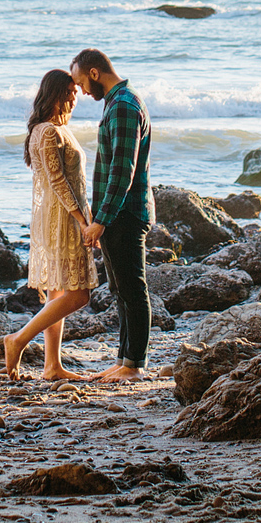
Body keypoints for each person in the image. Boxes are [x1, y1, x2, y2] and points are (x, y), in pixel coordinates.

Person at [1, 69, 98, 379]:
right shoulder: (47, 132)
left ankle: (52, 366)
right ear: (54, 94)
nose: (75, 96)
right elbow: (57, 181)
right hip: (61, 220)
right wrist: (83, 220)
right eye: (69, 91)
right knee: (78, 294)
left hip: (63, 216)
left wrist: (88, 214)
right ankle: (17, 340)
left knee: (57, 293)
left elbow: (74, 182)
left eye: (74, 90)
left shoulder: (59, 129)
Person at [73, 47, 154, 383]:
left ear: (94, 73)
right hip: (118, 212)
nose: (80, 91)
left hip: (124, 213)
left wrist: (100, 221)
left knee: (132, 288)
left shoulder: (123, 105)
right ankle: (125, 360)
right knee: (120, 289)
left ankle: (134, 365)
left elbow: (123, 172)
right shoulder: (117, 102)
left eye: (80, 83)